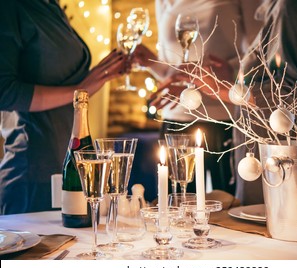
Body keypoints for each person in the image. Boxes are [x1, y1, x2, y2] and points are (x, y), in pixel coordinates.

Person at [185, 0, 297, 205]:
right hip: (272, 163)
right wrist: (233, 80)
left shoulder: (291, 7)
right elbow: (280, 81)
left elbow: (290, 97)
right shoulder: (285, 8)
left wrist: (222, 91)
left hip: (281, 168)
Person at [0, 0, 127, 214]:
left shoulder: (52, 5)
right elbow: (4, 92)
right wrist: (79, 89)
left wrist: (98, 77)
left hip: (69, 167)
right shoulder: (11, 6)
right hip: (32, 173)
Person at [132, 0, 260, 195]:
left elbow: (258, 51)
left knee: (225, 201)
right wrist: (152, 63)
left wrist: (232, 73)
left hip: (220, 116)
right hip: (176, 117)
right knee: (175, 201)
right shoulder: (163, 2)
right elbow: (174, 69)